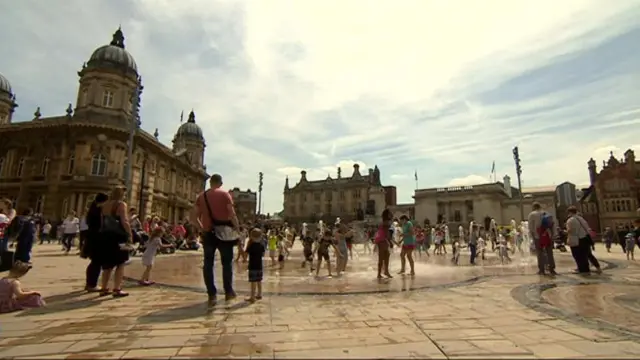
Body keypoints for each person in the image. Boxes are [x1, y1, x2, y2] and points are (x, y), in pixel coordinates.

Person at [191, 174, 240, 307]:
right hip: (224, 234)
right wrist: (238, 229)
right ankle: (228, 292)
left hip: (208, 233)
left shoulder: (201, 196)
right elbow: (232, 214)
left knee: (208, 263)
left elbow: (193, 217)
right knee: (227, 263)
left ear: (210, 182)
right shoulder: (225, 195)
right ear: (220, 183)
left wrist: (202, 228)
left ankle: (211, 293)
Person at [97, 186, 133, 297]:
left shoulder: (104, 205)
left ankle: (104, 288)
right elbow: (124, 221)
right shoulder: (121, 204)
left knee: (107, 264)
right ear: (121, 194)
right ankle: (117, 289)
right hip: (118, 237)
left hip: (105, 236)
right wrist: (130, 234)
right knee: (120, 263)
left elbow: (103, 222)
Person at [84, 193, 108, 292]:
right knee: (96, 262)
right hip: (97, 238)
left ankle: (89, 283)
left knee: (94, 262)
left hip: (92, 237)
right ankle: (92, 284)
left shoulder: (93, 209)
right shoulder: (98, 211)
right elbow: (101, 226)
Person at [566, 206, 599, 274]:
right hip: (585, 238)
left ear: (570, 212)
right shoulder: (581, 218)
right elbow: (587, 228)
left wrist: (565, 232)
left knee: (577, 255)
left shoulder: (570, 220)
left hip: (577, 239)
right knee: (586, 254)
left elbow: (570, 231)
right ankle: (587, 269)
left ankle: (581, 269)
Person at [527, 202, 556, 276]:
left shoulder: (532, 214)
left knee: (540, 253)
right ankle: (552, 269)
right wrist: (553, 235)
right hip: (548, 235)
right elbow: (552, 225)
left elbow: (530, 227)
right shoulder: (547, 213)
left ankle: (541, 270)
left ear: (534, 207)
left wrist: (532, 237)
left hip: (538, 236)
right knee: (549, 252)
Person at [245, 228, 265, 302]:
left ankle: (252, 297)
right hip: (259, 266)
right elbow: (263, 254)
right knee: (259, 281)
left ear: (251, 237)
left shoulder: (251, 246)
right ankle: (259, 294)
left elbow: (245, 255)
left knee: (253, 282)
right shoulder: (261, 245)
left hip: (252, 266)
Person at [375, 209, 393, 279]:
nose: (391, 214)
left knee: (386, 255)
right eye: (390, 213)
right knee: (382, 257)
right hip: (382, 241)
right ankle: (381, 273)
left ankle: (384, 272)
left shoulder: (383, 222)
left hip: (380, 240)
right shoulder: (386, 222)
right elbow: (387, 234)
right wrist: (390, 242)